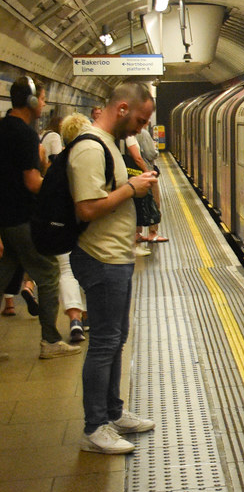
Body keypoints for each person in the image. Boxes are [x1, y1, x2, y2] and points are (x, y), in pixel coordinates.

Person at [69, 82, 160, 454]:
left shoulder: (109, 143)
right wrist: (133, 189)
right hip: (101, 258)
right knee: (104, 343)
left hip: (117, 256)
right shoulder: (90, 148)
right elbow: (86, 208)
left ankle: (113, 412)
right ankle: (95, 428)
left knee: (116, 338)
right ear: (122, 108)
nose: (141, 127)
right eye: (140, 119)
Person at [0, 76, 81, 359]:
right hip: (22, 217)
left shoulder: (2, 126)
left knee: (3, 275)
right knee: (48, 273)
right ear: (33, 101)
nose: (44, 105)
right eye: (43, 99)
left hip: (5, 220)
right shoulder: (23, 134)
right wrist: (59, 191)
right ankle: (50, 340)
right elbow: (32, 182)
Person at [58, 113, 94, 342]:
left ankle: (75, 319)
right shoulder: (88, 160)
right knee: (90, 269)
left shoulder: (58, 163)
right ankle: (89, 315)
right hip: (85, 226)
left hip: (60, 226)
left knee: (66, 271)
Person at [136, 125, 167, 243]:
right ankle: (152, 233)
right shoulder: (143, 134)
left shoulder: (122, 133)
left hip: (131, 174)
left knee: (136, 204)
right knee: (154, 202)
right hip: (146, 172)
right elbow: (151, 154)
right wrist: (156, 151)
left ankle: (136, 233)